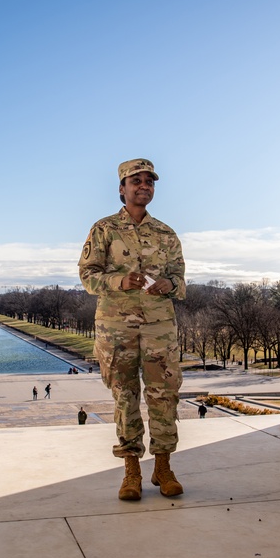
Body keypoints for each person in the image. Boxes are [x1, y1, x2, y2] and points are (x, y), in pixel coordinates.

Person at [78, 158, 186, 501]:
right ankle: (131, 471)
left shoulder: (166, 234)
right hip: (116, 328)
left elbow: (182, 282)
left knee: (164, 396)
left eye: (149, 182)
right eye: (136, 181)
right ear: (122, 188)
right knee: (125, 398)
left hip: (159, 328)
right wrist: (120, 280)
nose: (144, 186)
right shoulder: (104, 229)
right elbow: (87, 275)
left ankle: (164, 467)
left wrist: (168, 284)